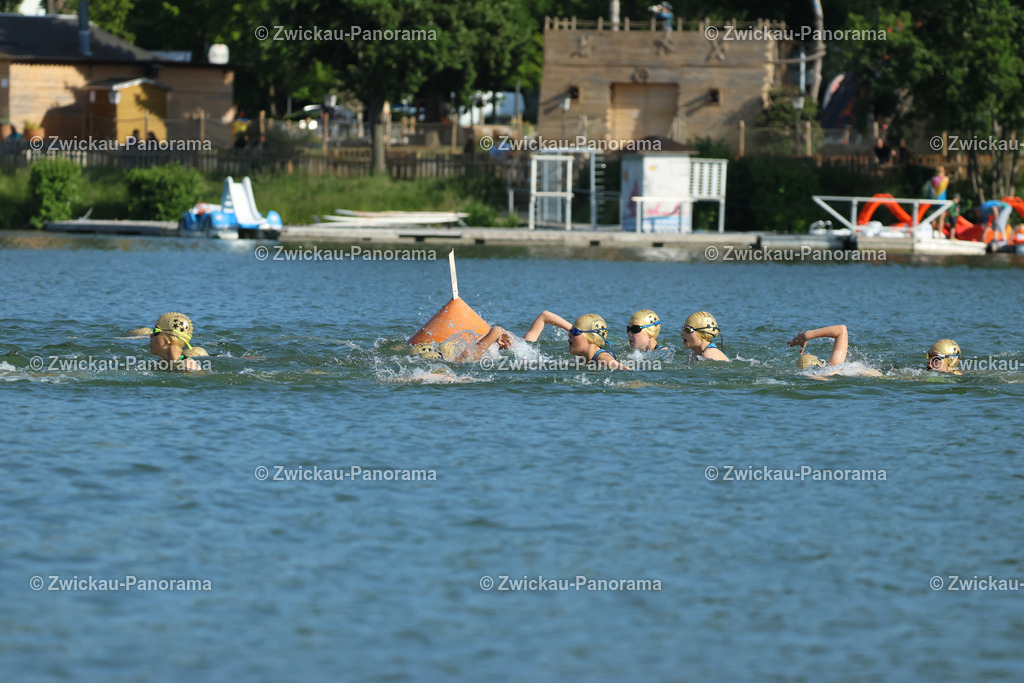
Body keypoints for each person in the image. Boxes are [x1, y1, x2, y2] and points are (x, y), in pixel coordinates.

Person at [524, 311, 626, 369]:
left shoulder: (602, 358)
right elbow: (545, 315)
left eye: (574, 332)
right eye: (570, 330)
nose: (569, 334)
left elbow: (625, 370)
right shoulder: (583, 356)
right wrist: (576, 330)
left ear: (590, 337)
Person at [787, 324, 883, 376]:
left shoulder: (831, 372)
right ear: (818, 364)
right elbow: (841, 329)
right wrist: (806, 336)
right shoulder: (835, 368)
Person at [411, 325, 512, 362]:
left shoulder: (457, 356)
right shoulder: (462, 357)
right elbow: (471, 351)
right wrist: (496, 332)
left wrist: (496, 334)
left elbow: (476, 345)